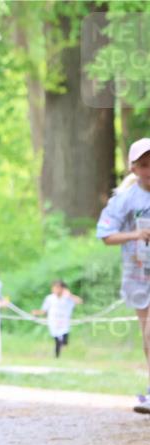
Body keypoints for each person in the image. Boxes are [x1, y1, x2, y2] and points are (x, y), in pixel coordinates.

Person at [97, 137, 150, 415]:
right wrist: (136, 234)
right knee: (147, 332)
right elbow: (105, 235)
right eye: (144, 164)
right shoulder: (126, 200)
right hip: (139, 273)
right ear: (133, 169)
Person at [32, 280, 83, 358]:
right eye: (54, 288)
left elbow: (79, 301)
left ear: (63, 289)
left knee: (64, 339)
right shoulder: (49, 298)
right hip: (53, 322)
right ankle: (57, 357)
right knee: (57, 340)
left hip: (64, 322)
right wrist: (37, 313)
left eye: (58, 288)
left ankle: (61, 352)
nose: (55, 289)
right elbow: (44, 310)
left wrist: (70, 295)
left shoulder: (68, 298)